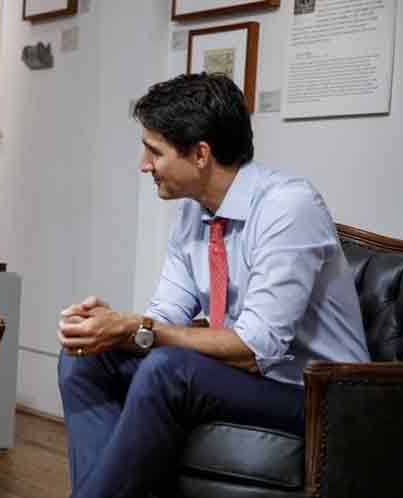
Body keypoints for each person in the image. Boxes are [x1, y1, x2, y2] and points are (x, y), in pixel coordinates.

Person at [56, 73, 370, 498]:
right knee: (85, 359)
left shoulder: (288, 206)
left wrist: (136, 328)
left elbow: (256, 349)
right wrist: (105, 328)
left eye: (154, 151)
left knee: (168, 369)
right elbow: (164, 317)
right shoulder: (195, 213)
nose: (144, 165)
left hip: (320, 395)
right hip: (250, 380)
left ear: (201, 154)